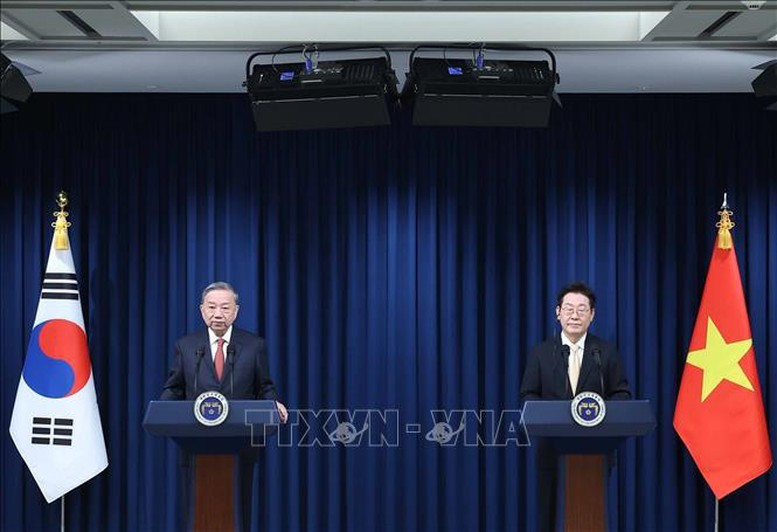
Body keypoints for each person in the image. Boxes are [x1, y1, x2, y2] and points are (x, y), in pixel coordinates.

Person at [161, 281, 287, 531]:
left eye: (225, 308)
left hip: (240, 447)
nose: (218, 314)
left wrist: (273, 403)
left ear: (236, 311)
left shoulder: (253, 346)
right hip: (195, 448)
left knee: (238, 513)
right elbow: (174, 387)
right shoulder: (186, 346)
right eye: (212, 307)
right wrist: (164, 409)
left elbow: (265, 386)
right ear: (202, 311)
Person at [520, 281, 631, 532]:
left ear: (592, 315)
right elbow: (528, 396)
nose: (574, 315)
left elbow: (622, 394)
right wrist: (554, 416)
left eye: (582, 309)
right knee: (550, 519)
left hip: (596, 454)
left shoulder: (604, 352)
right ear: (557, 312)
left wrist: (601, 412)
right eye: (568, 308)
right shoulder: (541, 353)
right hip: (551, 454)